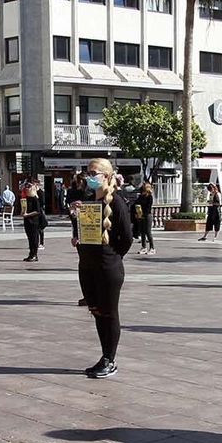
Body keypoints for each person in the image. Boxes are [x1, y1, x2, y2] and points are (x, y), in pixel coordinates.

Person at [70, 157, 134, 377]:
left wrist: (113, 257)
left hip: (107, 267)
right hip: (87, 265)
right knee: (96, 311)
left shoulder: (116, 202)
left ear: (106, 176)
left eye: (93, 173)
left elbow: (126, 238)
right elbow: (83, 233)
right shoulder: (88, 201)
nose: (89, 177)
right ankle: (104, 356)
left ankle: (110, 359)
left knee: (109, 313)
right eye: (87, 173)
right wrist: (75, 223)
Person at [20, 178, 42, 262]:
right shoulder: (25, 199)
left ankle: (34, 254)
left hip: (34, 221)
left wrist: (28, 214)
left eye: (28, 188)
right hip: (27, 221)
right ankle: (31, 254)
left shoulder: (34, 198)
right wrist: (22, 213)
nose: (26, 189)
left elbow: (38, 211)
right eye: (25, 188)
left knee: (34, 238)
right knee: (30, 238)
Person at [132, 181, 156, 256]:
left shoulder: (149, 197)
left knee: (148, 232)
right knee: (142, 231)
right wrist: (137, 213)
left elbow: (148, 207)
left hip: (147, 215)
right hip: (140, 215)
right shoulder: (141, 196)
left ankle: (152, 248)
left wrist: (144, 214)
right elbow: (136, 203)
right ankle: (143, 247)